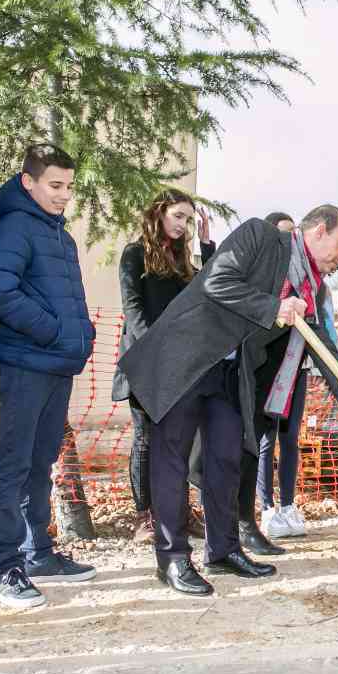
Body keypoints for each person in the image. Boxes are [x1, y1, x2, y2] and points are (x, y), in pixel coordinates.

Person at [119, 205, 338, 595]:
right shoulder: (259, 237)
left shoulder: (308, 285)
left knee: (228, 457)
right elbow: (218, 281)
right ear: (316, 231)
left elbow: (323, 348)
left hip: (230, 372)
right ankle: (172, 558)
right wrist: (273, 307)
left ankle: (223, 549)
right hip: (186, 358)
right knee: (172, 458)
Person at [0, 144, 96, 608]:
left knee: (41, 459)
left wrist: (80, 334)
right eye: (55, 185)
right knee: (14, 463)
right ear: (28, 182)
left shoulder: (60, 236)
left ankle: (38, 553)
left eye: (69, 186)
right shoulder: (15, 228)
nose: (64, 195)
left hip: (56, 364)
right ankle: (5, 565)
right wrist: (52, 332)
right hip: (27, 362)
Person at [111, 189, 213, 531]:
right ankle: (146, 519)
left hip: (176, 365)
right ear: (160, 212)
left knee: (177, 440)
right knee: (145, 440)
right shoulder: (134, 253)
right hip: (145, 361)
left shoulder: (183, 260)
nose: (183, 225)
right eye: (178, 216)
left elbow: (209, 288)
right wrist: (157, 349)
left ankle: (179, 513)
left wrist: (207, 244)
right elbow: (133, 309)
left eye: (188, 219)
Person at [252, 210, 308, 540]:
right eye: (282, 234)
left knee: (290, 440)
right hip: (267, 371)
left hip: (296, 368)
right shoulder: (260, 277)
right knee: (265, 441)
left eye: (293, 234)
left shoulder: (304, 279)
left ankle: (288, 505)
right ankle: (267, 507)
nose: (289, 241)